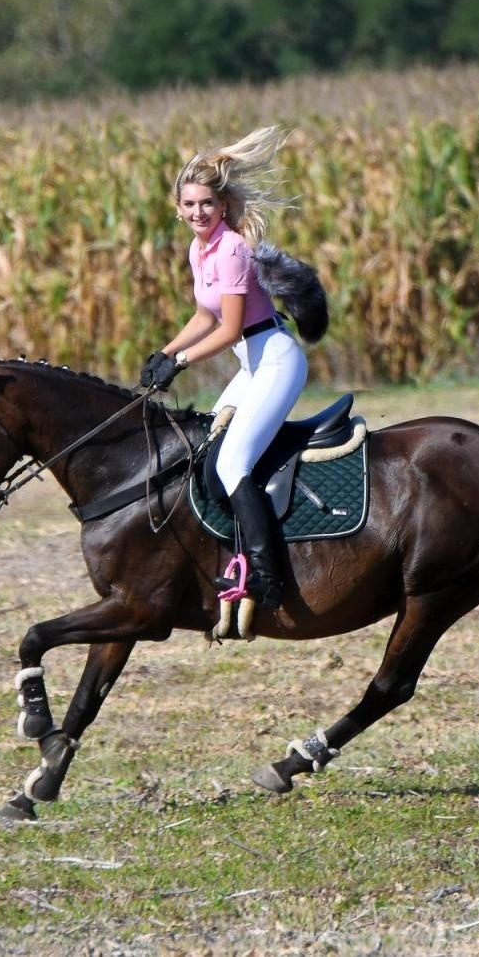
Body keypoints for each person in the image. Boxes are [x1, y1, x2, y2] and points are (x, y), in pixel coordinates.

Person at [139, 125, 320, 611]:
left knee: (232, 463)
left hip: (275, 360)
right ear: (178, 209)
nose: (198, 212)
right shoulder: (199, 249)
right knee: (207, 451)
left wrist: (180, 363)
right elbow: (204, 316)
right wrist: (164, 353)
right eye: (189, 205)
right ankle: (237, 555)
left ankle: (268, 578)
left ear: (222, 206)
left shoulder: (233, 248)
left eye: (207, 204)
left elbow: (229, 328)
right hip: (252, 362)